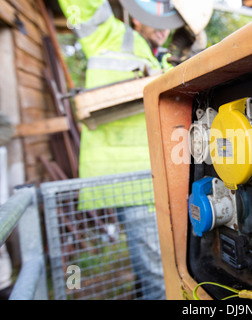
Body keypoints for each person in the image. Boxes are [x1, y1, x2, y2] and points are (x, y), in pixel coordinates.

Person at [58, 0, 174, 300]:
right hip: (132, 181)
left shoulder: (159, 58)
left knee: (159, 268)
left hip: (151, 180)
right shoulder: (110, 35)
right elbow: (82, 6)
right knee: (159, 280)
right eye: (156, 18)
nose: (163, 29)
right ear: (138, 18)